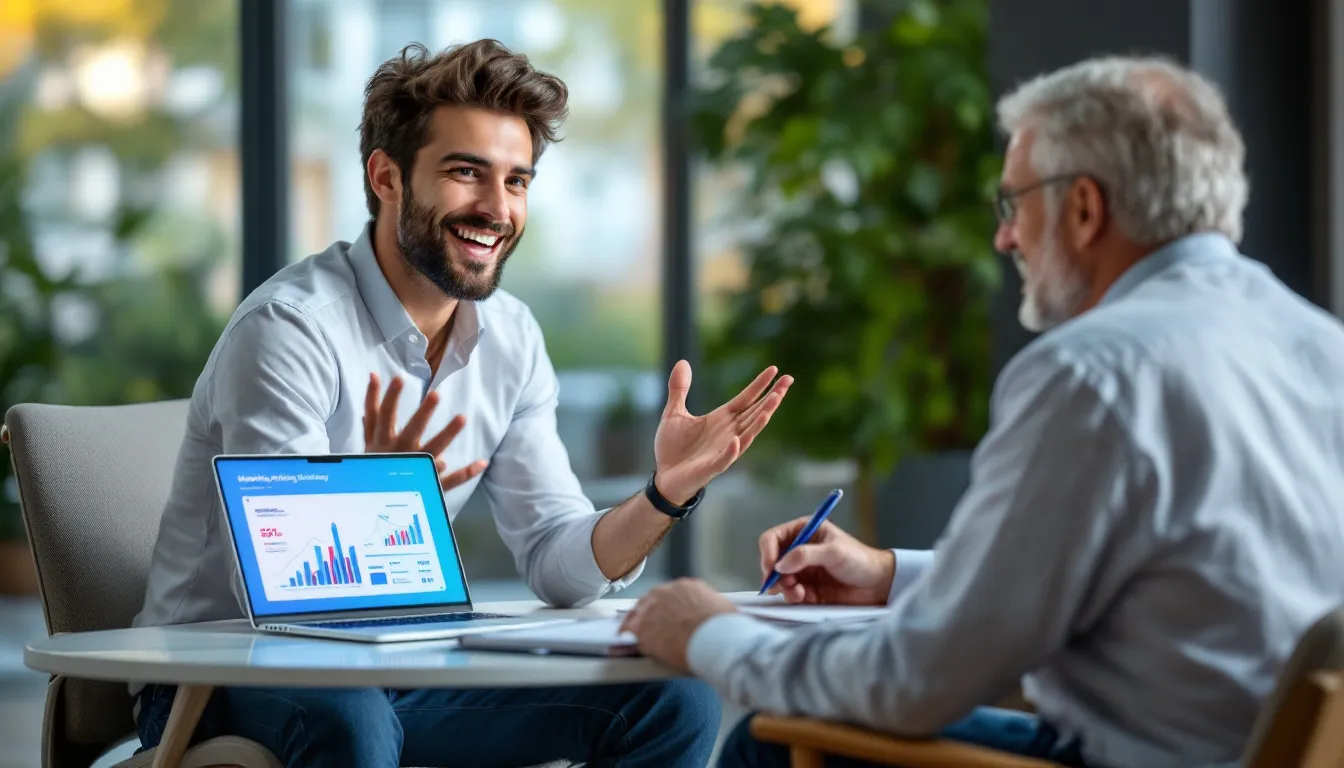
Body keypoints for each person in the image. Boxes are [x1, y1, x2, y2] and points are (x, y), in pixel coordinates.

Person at [620, 54, 1344, 768]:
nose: (1004, 238)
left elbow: (911, 683)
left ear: (1084, 209)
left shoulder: (1090, 372)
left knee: (771, 740)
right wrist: (888, 575)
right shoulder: (1321, 346)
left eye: (1015, 204)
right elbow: (1156, 577)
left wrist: (711, 636)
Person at [130, 39, 793, 768]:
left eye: (517, 181)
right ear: (386, 177)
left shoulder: (511, 338)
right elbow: (285, 599)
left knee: (672, 699)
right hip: (219, 669)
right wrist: (368, 493)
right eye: (465, 173)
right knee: (352, 720)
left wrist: (665, 494)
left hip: (393, 666)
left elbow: (555, 559)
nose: (497, 208)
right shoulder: (288, 330)